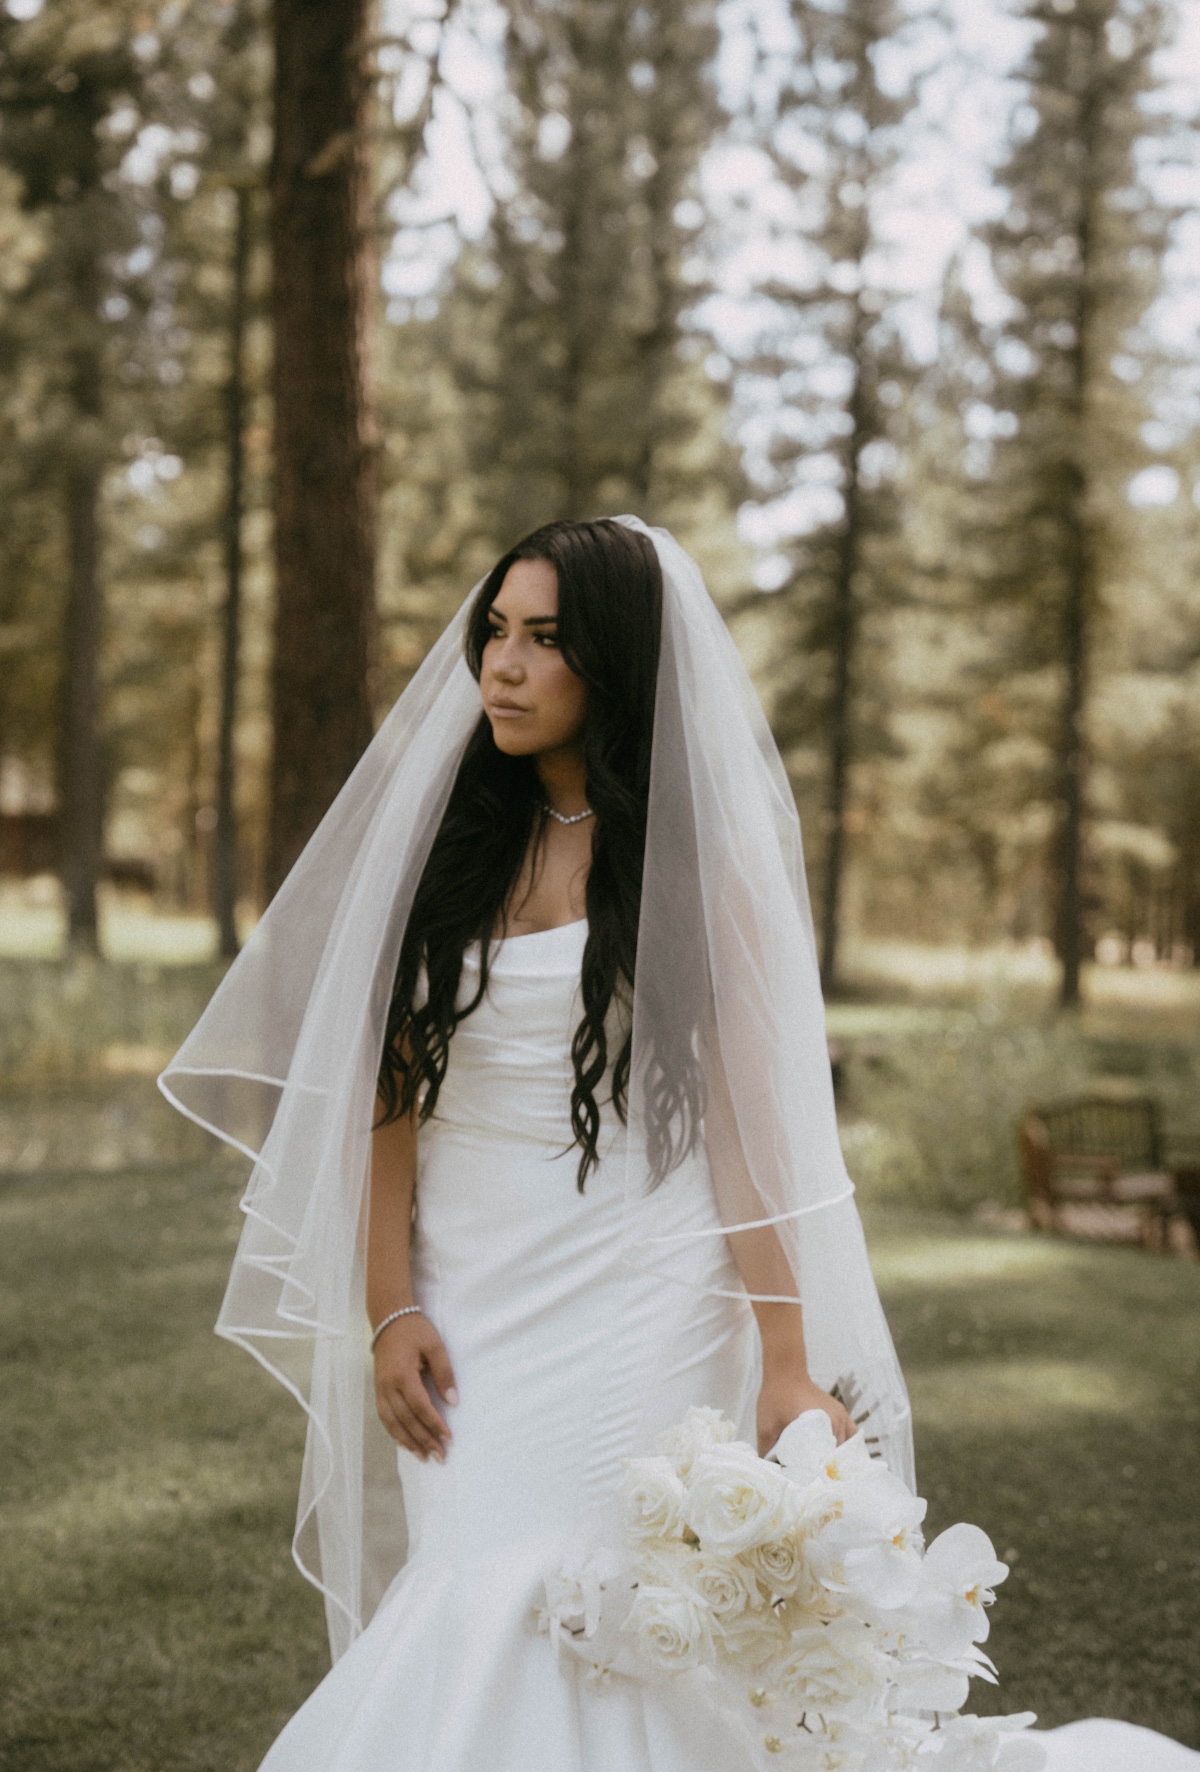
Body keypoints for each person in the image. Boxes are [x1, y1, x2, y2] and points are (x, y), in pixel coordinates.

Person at [160, 519, 1198, 1772]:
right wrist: (389, 1305)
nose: (503, 665)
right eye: (495, 631)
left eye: (545, 639)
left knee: (593, 1594)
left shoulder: (689, 864)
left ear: (614, 662)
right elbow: (390, 1092)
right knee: (474, 1569)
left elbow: (751, 1132)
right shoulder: (451, 845)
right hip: (470, 1291)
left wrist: (785, 1355)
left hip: (637, 1290)